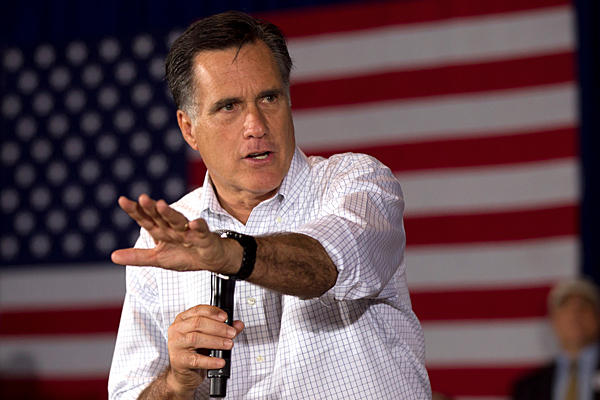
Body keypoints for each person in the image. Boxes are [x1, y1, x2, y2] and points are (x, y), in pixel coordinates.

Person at [107, 10, 430, 399]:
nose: (256, 126)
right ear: (189, 129)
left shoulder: (356, 181)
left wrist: (229, 255)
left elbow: (327, 264)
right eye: (229, 107)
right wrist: (177, 381)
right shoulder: (165, 239)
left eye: (269, 98)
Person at [512, 278, 600, 400]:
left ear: (597, 317)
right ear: (553, 320)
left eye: (584, 307)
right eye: (566, 308)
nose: (574, 315)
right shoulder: (529, 386)